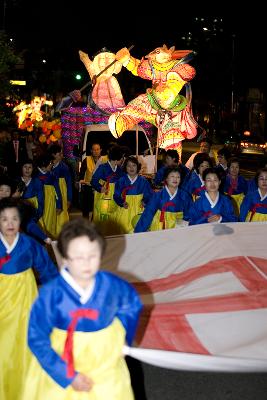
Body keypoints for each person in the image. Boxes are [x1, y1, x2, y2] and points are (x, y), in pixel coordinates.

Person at [23, 217, 143, 399]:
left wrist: (125, 337)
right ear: (64, 258)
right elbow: (36, 338)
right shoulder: (51, 294)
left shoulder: (113, 285)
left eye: (92, 255)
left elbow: (131, 305)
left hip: (106, 363)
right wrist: (68, 376)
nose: (86, 263)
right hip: (65, 359)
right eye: (78, 257)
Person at [0, 197, 58, 400]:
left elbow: (47, 269)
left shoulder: (29, 244)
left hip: (25, 295)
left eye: (14, 219)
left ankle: (26, 379)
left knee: (26, 335)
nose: (9, 224)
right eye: (4, 219)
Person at [134, 166, 193, 232]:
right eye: (172, 176)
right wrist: (138, 232)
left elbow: (189, 215)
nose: (175, 179)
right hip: (159, 228)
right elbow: (148, 214)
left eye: (178, 177)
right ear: (166, 178)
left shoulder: (185, 196)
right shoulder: (157, 196)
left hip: (178, 229)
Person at [91, 144, 125, 235]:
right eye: (122, 158)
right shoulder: (103, 167)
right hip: (104, 194)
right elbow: (93, 180)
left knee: (114, 216)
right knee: (103, 216)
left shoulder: (119, 170)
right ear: (117, 158)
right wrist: (99, 187)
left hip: (115, 196)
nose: (123, 160)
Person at [113, 156, 153, 233]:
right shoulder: (121, 181)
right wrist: (121, 202)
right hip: (125, 208)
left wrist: (145, 201)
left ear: (138, 167)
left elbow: (149, 195)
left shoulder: (143, 181)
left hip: (139, 208)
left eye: (134, 165)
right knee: (124, 230)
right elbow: (116, 195)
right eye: (129, 166)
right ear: (125, 167)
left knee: (139, 231)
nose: (131, 168)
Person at [48, 144, 73, 236]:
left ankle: (61, 232)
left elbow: (69, 183)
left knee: (61, 214)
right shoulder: (48, 165)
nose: (62, 155)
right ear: (53, 154)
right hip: (50, 192)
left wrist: (69, 198)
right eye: (59, 154)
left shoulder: (64, 167)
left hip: (62, 192)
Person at [79, 142, 108, 219]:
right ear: (91, 150)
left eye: (97, 149)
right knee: (86, 208)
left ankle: (94, 223)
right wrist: (81, 182)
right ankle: (85, 224)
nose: (96, 151)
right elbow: (82, 172)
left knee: (97, 207)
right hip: (88, 186)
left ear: (101, 150)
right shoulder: (87, 159)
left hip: (100, 187)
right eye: (94, 149)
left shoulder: (105, 159)